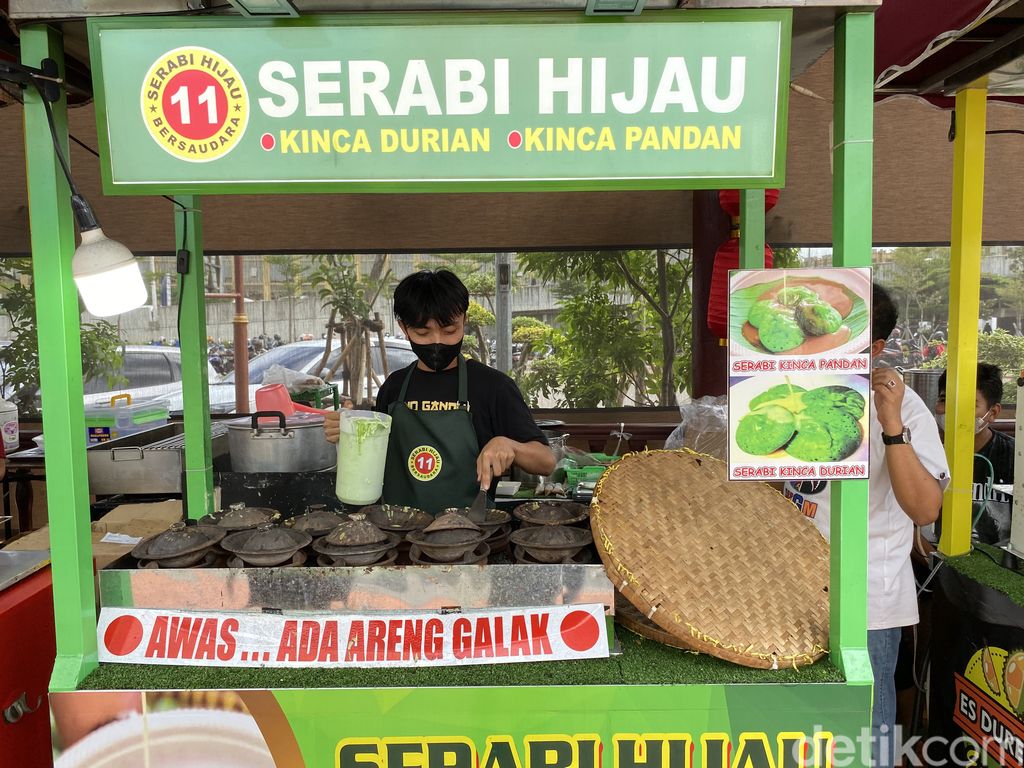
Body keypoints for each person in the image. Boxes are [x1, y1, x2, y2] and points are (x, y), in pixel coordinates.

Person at [784, 283, 948, 768]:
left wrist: (890, 424)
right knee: (797, 737)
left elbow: (924, 509)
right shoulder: (799, 390)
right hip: (791, 595)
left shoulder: (904, 407)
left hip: (866, 608)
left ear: (874, 347)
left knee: (863, 742)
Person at [324, 270, 554, 514]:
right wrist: (349, 433)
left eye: (449, 331)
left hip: (469, 537)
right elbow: (372, 462)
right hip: (398, 531)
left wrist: (509, 445)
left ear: (464, 320)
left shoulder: (493, 386)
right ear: (404, 328)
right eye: (423, 333)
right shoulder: (394, 387)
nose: (437, 342)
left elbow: (546, 461)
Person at [935, 363, 1014, 544]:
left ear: (993, 412)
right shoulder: (920, 453)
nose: (953, 412)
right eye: (945, 400)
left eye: (968, 405)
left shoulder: (1014, 458)